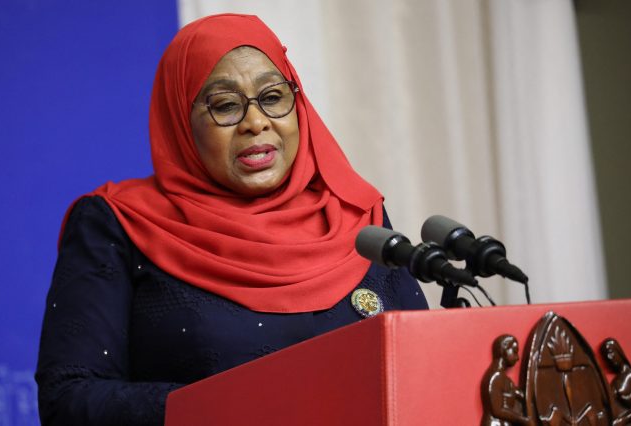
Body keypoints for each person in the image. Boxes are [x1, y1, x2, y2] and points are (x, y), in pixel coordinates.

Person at [35, 13, 428, 425]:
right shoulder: (119, 224)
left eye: (273, 97)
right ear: (180, 120)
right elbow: (69, 397)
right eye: (225, 106)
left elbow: (421, 369)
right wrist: (230, 404)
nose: (256, 123)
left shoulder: (356, 215)